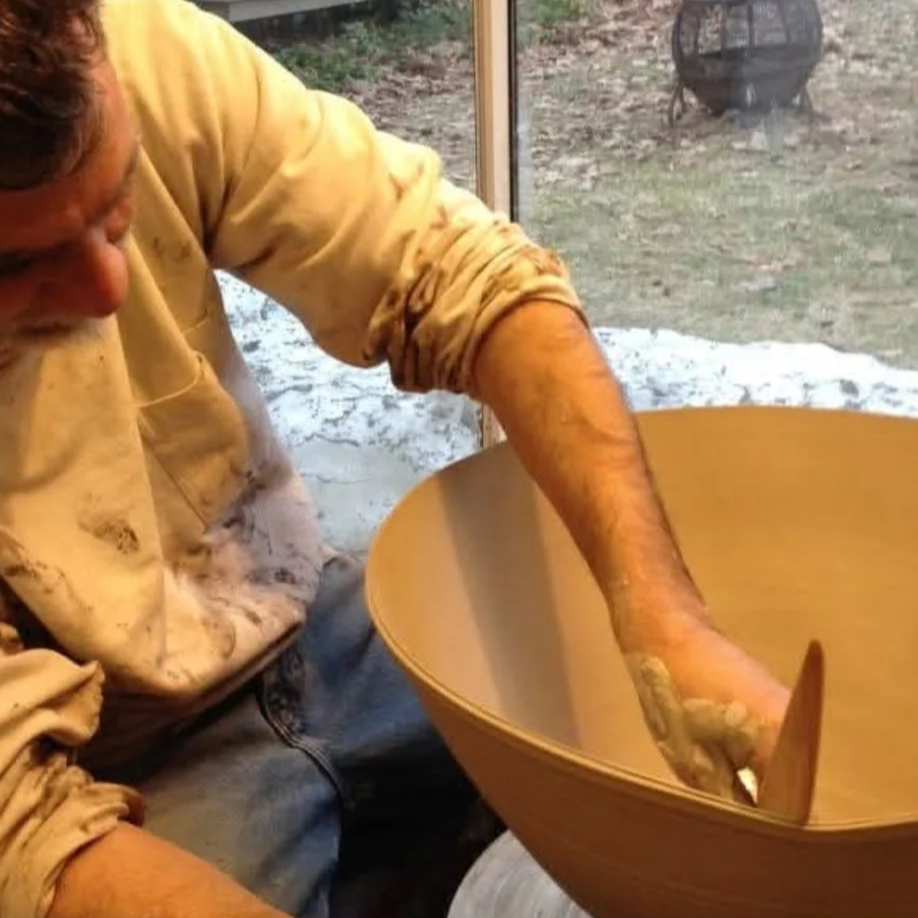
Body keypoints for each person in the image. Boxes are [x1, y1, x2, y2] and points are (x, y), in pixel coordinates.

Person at [0, 1, 791, 917]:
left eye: (117, 207)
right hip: (116, 759)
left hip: (297, 614)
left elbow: (466, 275)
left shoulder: (138, 49)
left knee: (626, 769)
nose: (110, 286)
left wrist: (669, 626)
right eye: (18, 265)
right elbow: (23, 824)